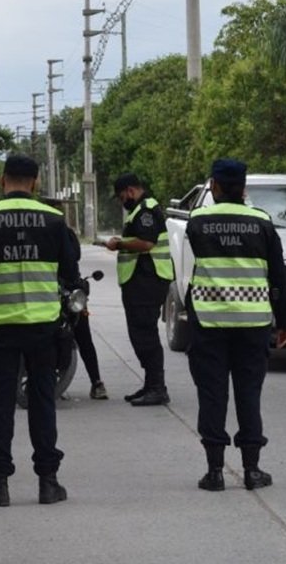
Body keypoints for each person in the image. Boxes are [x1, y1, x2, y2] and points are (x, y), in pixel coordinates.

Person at [0, 154, 80, 507]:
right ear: (36, 182)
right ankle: (48, 483)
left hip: (1, 326)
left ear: (2, 181)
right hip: (43, 326)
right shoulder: (55, 220)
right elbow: (71, 272)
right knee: (42, 402)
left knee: (1, 403)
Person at [185, 159, 286, 492]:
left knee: (212, 394)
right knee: (249, 393)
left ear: (214, 186)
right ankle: (252, 470)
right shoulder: (262, 222)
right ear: (244, 189)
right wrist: (284, 320)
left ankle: (215, 471)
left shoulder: (197, 221)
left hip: (209, 320)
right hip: (253, 322)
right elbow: (278, 277)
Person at [104, 172, 174, 406]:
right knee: (140, 334)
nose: (122, 201)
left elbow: (146, 243)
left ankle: (157, 388)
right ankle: (150, 384)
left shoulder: (146, 210)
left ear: (130, 191)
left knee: (145, 335)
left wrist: (119, 244)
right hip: (139, 282)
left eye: (122, 196)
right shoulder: (139, 211)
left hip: (148, 280)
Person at [66, 227, 106, 399]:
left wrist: (81, 285)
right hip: (46, 290)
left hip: (70, 291)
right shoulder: (42, 233)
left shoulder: (67, 233)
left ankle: (97, 382)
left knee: (84, 337)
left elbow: (75, 258)